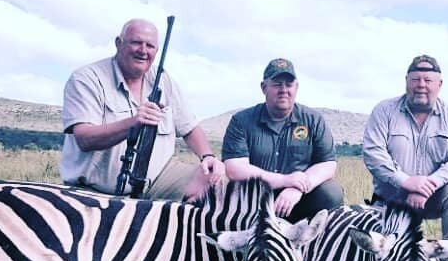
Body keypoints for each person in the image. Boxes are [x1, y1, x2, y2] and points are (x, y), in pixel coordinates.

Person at [60, 18, 224, 200]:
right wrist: (133, 123)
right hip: (97, 191)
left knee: (216, 181)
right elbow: (85, 138)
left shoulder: (163, 79)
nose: (143, 51)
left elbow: (189, 126)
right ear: (118, 44)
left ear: (156, 51)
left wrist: (207, 156)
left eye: (150, 46)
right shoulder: (87, 79)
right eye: (136, 42)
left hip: (157, 182)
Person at [362, 54, 448, 242]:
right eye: (415, 79)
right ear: (406, 81)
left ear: (439, 84)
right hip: (392, 198)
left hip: (435, 196)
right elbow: (373, 154)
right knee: (383, 254)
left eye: (428, 80)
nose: (421, 85)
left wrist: (428, 185)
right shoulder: (384, 110)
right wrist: (406, 181)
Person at [222, 58, 344, 221]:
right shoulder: (241, 121)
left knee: (331, 193)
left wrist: (298, 188)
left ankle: (317, 243)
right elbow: (234, 168)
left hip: (298, 199)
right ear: (264, 87)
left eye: (289, 84)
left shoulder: (313, 120)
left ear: (296, 87)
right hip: (255, 199)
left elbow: (327, 164)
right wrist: (285, 180)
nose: (284, 90)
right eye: (277, 84)